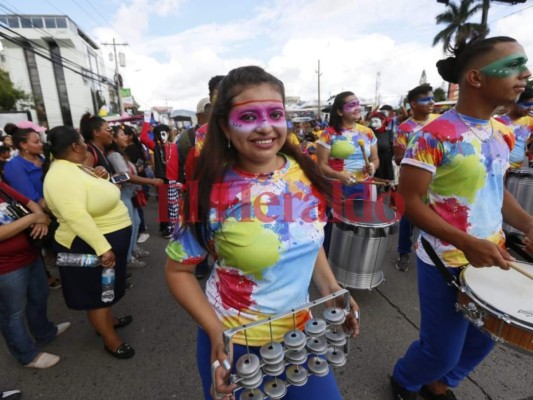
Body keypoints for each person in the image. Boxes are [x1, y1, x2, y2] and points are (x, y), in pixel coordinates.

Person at [165, 66, 360, 400]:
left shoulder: (304, 173)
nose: (266, 126)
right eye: (249, 116)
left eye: (275, 114)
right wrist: (214, 332)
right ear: (225, 125)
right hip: (235, 344)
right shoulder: (208, 191)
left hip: (302, 333)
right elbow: (178, 270)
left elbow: (307, 242)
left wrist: (332, 287)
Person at [391, 36, 533, 400]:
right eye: (514, 66)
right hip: (445, 259)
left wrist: (529, 223)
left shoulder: (502, 131)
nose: (526, 74)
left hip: (492, 254)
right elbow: (410, 201)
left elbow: (494, 190)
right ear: (475, 78)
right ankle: (404, 380)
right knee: (441, 349)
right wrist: (466, 242)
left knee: (486, 338)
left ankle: (440, 384)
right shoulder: (434, 135)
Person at [43, 126, 135, 359]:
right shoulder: (60, 174)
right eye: (83, 141)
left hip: (103, 241)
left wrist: (100, 176)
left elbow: (90, 193)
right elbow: (75, 215)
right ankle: (110, 340)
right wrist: (103, 247)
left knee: (106, 289)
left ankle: (108, 323)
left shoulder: (74, 168)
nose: (86, 144)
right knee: (96, 295)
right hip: (89, 245)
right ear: (75, 145)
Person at [0, 180, 70, 369]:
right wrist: (33, 219)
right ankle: (27, 355)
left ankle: (45, 332)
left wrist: (41, 221)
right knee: (12, 313)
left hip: (30, 254)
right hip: (6, 267)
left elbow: (30, 203)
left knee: (39, 297)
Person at [3, 124, 61, 289]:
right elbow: (31, 198)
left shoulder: (43, 159)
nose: (41, 144)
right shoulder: (14, 166)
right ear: (23, 145)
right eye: (36, 141)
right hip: (36, 217)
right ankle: (47, 277)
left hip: (54, 211)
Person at [392, 84, 439, 272]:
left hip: (440, 182)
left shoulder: (440, 121)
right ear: (413, 103)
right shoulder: (405, 128)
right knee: (409, 216)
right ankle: (404, 252)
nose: (431, 102)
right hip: (414, 181)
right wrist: (422, 158)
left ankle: (435, 255)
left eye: (432, 98)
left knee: (438, 215)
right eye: (426, 99)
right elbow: (397, 157)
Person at [107, 125, 163, 268]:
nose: (126, 136)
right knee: (131, 225)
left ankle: (132, 250)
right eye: (122, 134)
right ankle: (128, 258)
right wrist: (150, 181)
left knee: (136, 222)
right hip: (124, 194)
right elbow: (125, 177)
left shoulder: (120, 153)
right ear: (114, 138)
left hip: (129, 193)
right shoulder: (114, 155)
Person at [317, 91, 379, 200]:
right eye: (352, 105)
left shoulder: (368, 132)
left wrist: (372, 167)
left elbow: (375, 158)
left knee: (364, 216)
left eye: (358, 104)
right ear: (340, 111)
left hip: (364, 185)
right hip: (337, 186)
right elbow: (322, 166)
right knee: (337, 217)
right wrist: (339, 175)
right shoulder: (328, 134)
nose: (357, 108)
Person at [496, 87, 533, 169]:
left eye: (532, 105)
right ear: (514, 102)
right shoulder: (497, 123)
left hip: (518, 171)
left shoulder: (530, 121)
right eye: (527, 104)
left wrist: (530, 149)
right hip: (499, 170)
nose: (530, 108)